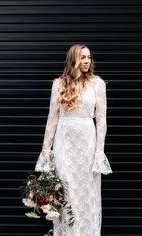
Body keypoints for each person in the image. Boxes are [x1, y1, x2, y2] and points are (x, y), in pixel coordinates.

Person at [35, 43, 113, 236]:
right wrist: (46, 152)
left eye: (89, 57)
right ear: (73, 60)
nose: (87, 61)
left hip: (87, 142)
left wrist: (99, 152)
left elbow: (102, 121)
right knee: (66, 189)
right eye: (83, 57)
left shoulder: (98, 83)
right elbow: (52, 118)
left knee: (87, 192)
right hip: (65, 142)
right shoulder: (59, 84)